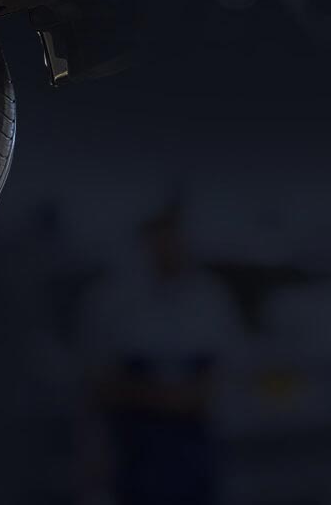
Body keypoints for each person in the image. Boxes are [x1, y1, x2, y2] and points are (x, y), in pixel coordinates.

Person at [74, 198, 244, 505]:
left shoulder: (209, 299)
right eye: (160, 236)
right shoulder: (112, 300)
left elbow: (220, 382)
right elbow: (97, 384)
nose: (169, 246)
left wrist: (171, 397)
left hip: (194, 450)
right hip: (133, 449)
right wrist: (166, 398)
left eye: (175, 236)